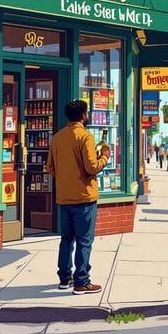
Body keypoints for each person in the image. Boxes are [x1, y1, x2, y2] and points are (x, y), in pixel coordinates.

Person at [44, 99, 110, 295]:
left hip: (64, 197)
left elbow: (50, 167)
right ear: (83, 115)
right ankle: (82, 281)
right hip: (84, 198)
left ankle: (65, 278)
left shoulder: (57, 137)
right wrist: (105, 156)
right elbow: (92, 167)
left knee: (66, 239)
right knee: (84, 241)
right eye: (86, 113)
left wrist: (65, 177)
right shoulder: (85, 137)